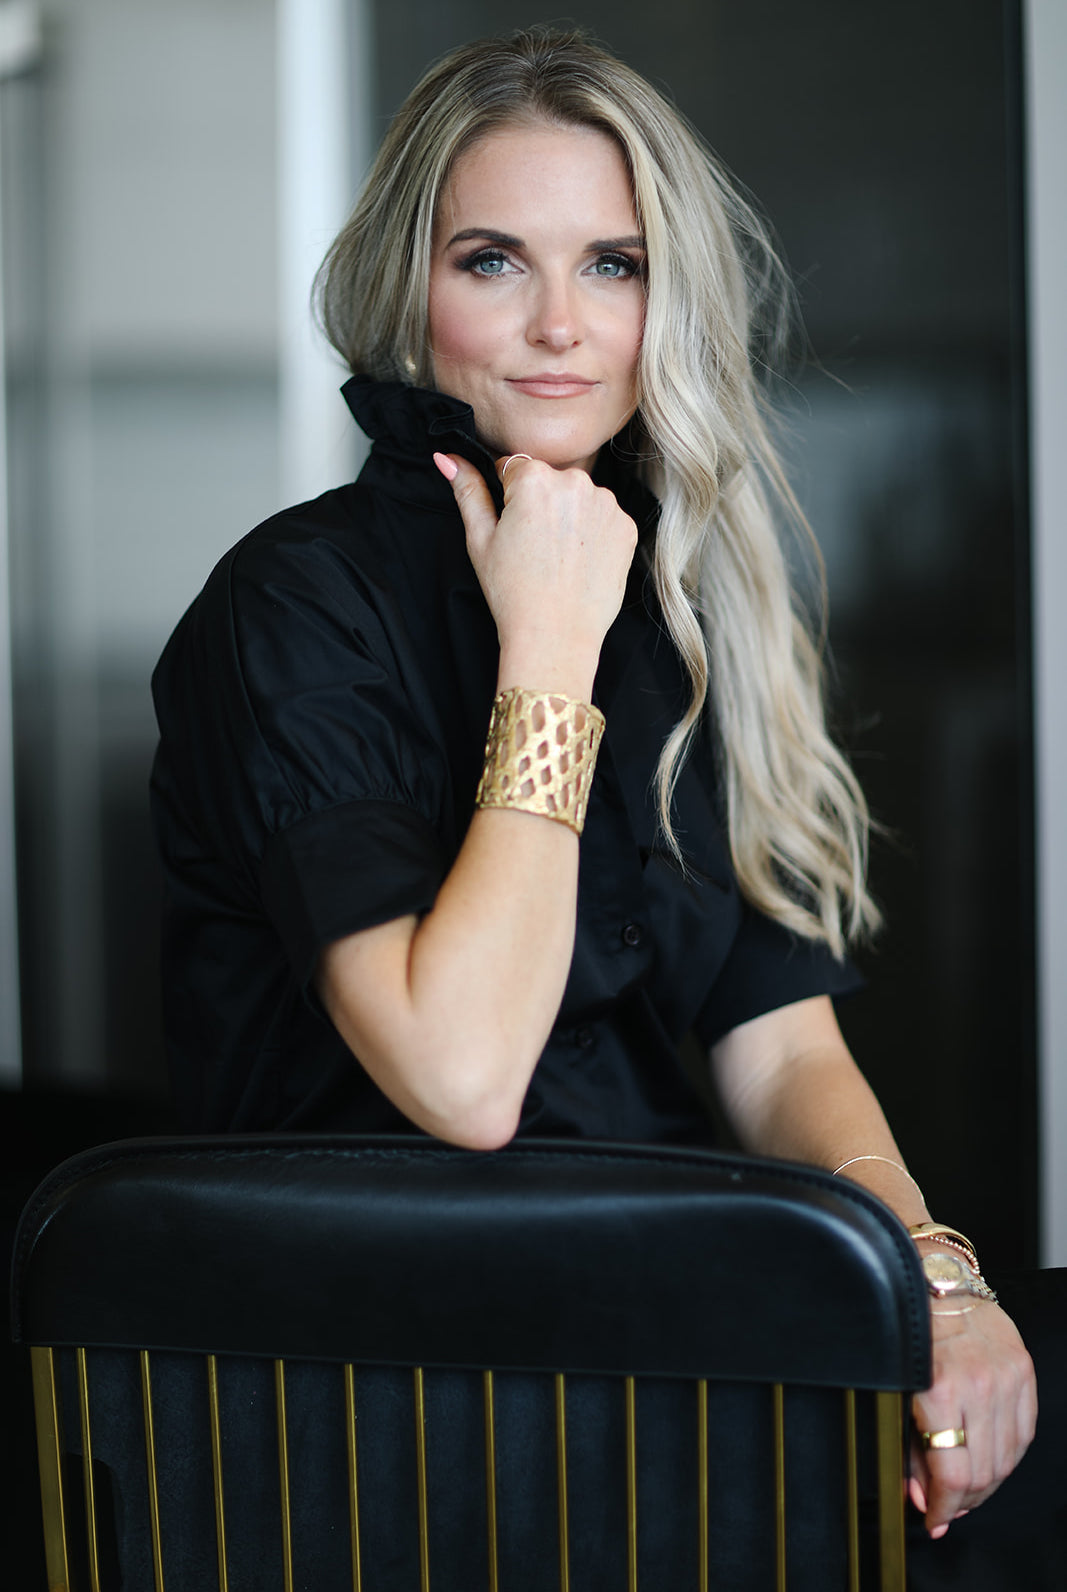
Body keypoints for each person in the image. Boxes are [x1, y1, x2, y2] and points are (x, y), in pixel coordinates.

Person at [151, 26, 1048, 1568]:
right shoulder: (296, 601)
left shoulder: (684, 600)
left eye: (614, 266)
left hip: (659, 1329)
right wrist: (548, 654)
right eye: (494, 261)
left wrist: (936, 1278)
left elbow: (778, 1045)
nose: (560, 325)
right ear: (409, 293)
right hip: (362, 1391)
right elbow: (463, 1079)